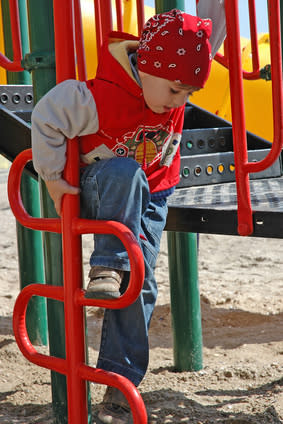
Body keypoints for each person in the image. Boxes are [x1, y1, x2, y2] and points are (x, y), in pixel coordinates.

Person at [32, 9, 213, 424]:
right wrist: (54, 178)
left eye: (189, 94)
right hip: (103, 188)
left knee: (141, 283)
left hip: (153, 195)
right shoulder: (95, 96)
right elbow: (45, 117)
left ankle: (116, 386)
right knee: (125, 171)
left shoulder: (169, 81)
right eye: (175, 91)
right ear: (145, 70)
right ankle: (106, 268)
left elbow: (205, 41)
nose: (180, 102)